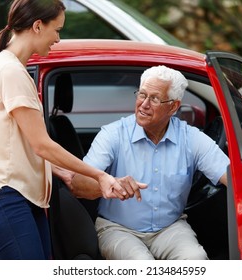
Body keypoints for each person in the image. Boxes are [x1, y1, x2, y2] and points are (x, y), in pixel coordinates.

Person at [0, 0, 138, 260]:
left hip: (17, 197)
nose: (57, 38)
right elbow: (42, 144)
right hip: (4, 197)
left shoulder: (10, 68)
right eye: (56, 30)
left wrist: (58, 171)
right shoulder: (10, 71)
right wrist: (100, 176)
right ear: (37, 26)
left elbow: (16, 142)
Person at [65, 65, 230, 260]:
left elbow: (235, 178)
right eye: (142, 95)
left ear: (174, 106)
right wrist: (110, 184)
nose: (144, 104)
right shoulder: (113, 134)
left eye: (154, 98)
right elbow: (77, 185)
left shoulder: (191, 138)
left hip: (170, 228)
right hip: (117, 228)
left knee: (196, 260)